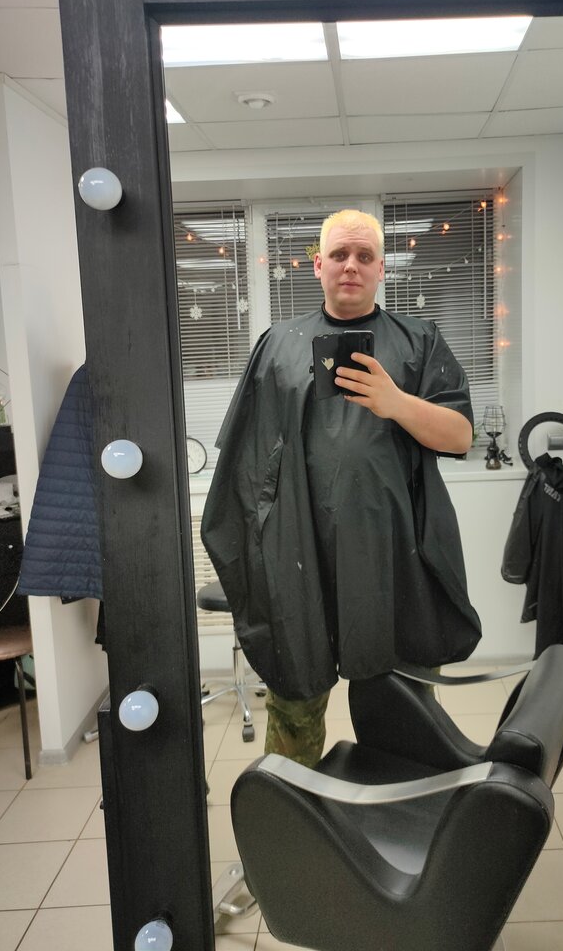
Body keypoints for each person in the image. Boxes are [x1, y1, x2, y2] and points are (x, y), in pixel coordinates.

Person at [201, 209, 481, 765]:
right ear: (318, 266)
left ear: (381, 269)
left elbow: (459, 436)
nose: (351, 265)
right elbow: (246, 459)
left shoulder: (419, 341)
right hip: (300, 552)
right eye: (339, 255)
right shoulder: (277, 345)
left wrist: (396, 403)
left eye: (365, 256)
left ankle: (400, 806)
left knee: (402, 707)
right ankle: (292, 812)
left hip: (393, 553)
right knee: (295, 704)